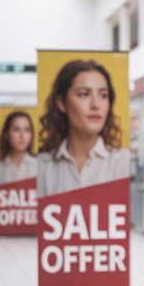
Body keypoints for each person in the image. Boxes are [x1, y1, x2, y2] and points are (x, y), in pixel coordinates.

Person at [37, 60, 130, 197]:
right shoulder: (41, 165)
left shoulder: (123, 161)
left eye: (103, 95)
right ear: (62, 103)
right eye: (84, 94)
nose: (96, 104)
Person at [0, 111, 38, 185]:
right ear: (6, 134)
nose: (22, 135)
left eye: (27, 130)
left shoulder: (39, 166)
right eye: (16, 129)